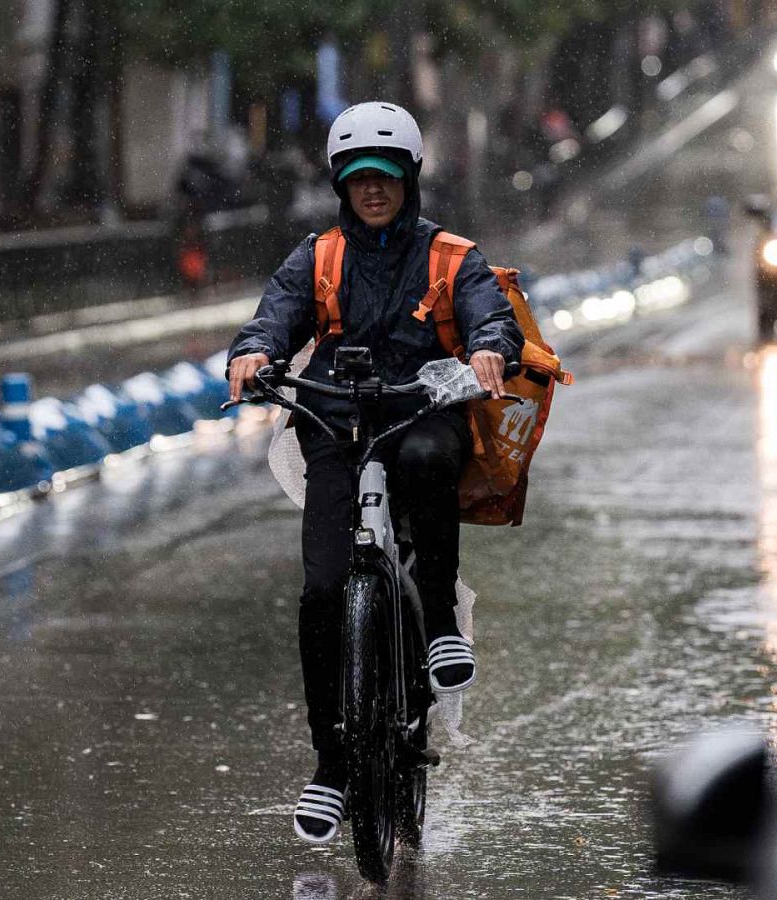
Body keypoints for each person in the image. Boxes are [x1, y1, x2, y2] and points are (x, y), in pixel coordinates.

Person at [225, 102, 523, 844]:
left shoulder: (453, 256)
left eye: (386, 178)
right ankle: (330, 764)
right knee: (323, 589)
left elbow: (492, 315)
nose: (373, 191)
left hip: (420, 413)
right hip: (334, 423)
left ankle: (441, 628)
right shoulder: (316, 256)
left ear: (410, 179)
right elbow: (274, 315)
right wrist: (253, 352)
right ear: (340, 186)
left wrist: (488, 346)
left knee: (427, 459)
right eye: (359, 180)